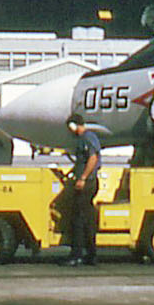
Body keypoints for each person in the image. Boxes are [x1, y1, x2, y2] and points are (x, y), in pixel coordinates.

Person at [65, 113, 101, 266]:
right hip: (86, 181)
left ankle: (77, 255)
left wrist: (83, 178)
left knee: (79, 219)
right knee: (86, 218)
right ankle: (90, 254)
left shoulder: (87, 138)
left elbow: (93, 158)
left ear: (73, 125)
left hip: (87, 183)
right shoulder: (86, 138)